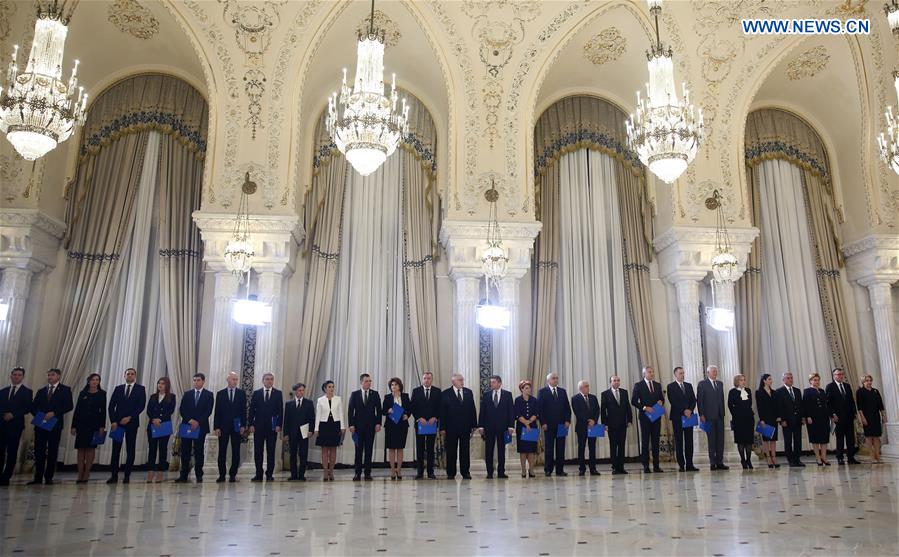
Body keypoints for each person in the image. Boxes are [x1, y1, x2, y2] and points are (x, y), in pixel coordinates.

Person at [29, 368, 73, 485]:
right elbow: (33, 407)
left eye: (52, 375)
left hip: (55, 423)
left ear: (58, 376)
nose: (50, 377)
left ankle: (49, 476)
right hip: (41, 423)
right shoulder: (41, 391)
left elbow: (69, 405)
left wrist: (54, 413)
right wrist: (40, 415)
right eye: (48, 375)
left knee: (52, 450)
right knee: (39, 450)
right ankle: (38, 476)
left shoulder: (65, 390)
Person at [107, 368, 146, 484]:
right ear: (124, 376)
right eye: (128, 374)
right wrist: (113, 421)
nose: (130, 375)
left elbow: (141, 406)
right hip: (118, 424)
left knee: (130, 449)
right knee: (115, 450)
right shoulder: (118, 388)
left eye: (132, 374)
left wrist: (129, 418)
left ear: (135, 376)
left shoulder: (140, 389)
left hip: (132, 423)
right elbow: (111, 406)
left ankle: (127, 476)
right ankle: (114, 476)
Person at [176, 373, 214, 483]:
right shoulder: (187, 394)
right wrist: (190, 420)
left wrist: (197, 422)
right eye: (194, 380)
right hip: (187, 425)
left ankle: (199, 474)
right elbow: (182, 409)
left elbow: (208, 411)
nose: (196, 382)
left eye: (198, 380)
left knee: (199, 451)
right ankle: (183, 475)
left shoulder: (208, 395)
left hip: (200, 426)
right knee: (185, 451)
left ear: (203, 381)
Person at [439, 373, 477, 480]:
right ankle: (451, 473)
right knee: (451, 450)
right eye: (460, 380)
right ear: (453, 381)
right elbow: (442, 412)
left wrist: (474, 424)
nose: (462, 382)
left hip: (465, 427)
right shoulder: (445, 393)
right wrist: (442, 428)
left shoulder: (468, 392)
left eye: (462, 380)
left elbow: (472, 409)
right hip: (451, 427)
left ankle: (465, 472)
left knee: (465, 450)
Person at [71, 373, 106, 483]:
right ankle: (80, 473)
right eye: (93, 379)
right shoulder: (83, 393)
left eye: (97, 380)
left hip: (94, 425)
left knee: (91, 449)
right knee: (81, 449)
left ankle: (87, 473)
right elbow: (77, 410)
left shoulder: (102, 394)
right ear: (88, 381)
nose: (95, 381)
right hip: (81, 425)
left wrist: (102, 426)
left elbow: (103, 411)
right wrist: (73, 426)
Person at [0, 367, 32, 486]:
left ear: (22, 377)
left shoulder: (27, 392)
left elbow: (27, 408)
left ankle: (6, 476)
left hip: (15, 426)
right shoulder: (3, 391)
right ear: (11, 375)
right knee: (0, 451)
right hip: (2, 424)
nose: (16, 376)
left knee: (12, 451)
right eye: (14, 374)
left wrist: (13, 414)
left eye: (19, 375)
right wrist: (3, 414)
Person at [478, 375, 514, 479]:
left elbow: (511, 411)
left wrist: (511, 426)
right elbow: (482, 411)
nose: (491, 384)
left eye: (493, 382)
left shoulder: (507, 395)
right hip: (489, 427)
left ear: (499, 383)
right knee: (488, 450)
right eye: (491, 382)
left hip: (503, 427)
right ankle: (489, 472)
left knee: (501, 450)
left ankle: (501, 472)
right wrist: (481, 426)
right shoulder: (486, 395)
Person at [213, 371, 246, 483]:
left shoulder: (241, 393)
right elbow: (217, 412)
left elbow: (243, 411)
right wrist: (216, 427)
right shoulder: (220, 394)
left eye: (236, 379)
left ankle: (233, 474)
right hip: (223, 426)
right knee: (222, 450)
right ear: (228, 380)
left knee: (236, 450)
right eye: (233, 379)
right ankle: (222, 474)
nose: (235, 381)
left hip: (237, 425)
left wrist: (243, 425)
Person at [348, 373, 381, 481]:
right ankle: (357, 473)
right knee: (358, 450)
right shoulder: (355, 394)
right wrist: (351, 424)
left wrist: (378, 423)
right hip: (357, 428)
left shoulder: (375, 394)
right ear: (361, 382)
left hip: (371, 427)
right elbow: (350, 411)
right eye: (366, 381)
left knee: (369, 450)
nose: (369, 383)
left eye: (370, 381)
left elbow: (379, 410)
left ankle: (367, 473)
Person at [249, 373, 282, 482]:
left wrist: (279, 424)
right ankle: (258, 473)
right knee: (258, 451)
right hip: (258, 426)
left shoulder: (278, 393)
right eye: (267, 379)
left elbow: (280, 411)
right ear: (263, 381)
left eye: (271, 379)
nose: (269, 381)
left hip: (272, 427)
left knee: (271, 451)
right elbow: (252, 410)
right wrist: (251, 424)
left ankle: (269, 474)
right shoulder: (257, 393)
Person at [538, 372, 571, 477]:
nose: (556, 380)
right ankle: (548, 469)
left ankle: (560, 470)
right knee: (549, 448)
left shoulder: (562, 391)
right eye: (553, 378)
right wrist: (543, 422)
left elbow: (567, 408)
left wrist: (567, 420)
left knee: (561, 448)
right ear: (548, 380)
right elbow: (540, 409)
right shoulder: (542, 392)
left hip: (562, 425)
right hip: (548, 425)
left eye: (557, 378)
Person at [631, 366, 664, 473]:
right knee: (645, 441)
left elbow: (662, 398)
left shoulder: (657, 385)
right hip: (645, 417)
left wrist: (661, 402)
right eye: (649, 372)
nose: (652, 373)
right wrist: (645, 408)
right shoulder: (638, 385)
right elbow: (634, 401)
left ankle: (656, 465)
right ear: (644, 374)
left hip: (656, 416)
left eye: (652, 372)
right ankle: (646, 465)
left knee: (656, 441)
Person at [666, 367, 698, 472]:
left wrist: (690, 410)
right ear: (675, 375)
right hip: (677, 417)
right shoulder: (671, 386)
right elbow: (673, 401)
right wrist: (684, 410)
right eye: (680, 373)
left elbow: (693, 400)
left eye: (683, 373)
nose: (682, 375)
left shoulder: (688, 385)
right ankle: (681, 464)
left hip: (689, 417)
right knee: (679, 441)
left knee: (689, 441)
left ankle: (690, 464)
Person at [697, 365, 728, 471]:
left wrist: (723, 413)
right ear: (708, 373)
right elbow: (700, 400)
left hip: (720, 416)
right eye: (713, 371)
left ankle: (720, 462)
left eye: (716, 371)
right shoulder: (702, 384)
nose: (715, 373)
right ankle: (712, 463)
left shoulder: (720, 383)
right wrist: (701, 414)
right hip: (708, 416)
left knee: (720, 440)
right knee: (711, 440)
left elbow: (721, 399)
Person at [410, 371, 441, 479]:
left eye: (428, 378)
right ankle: (420, 472)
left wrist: (435, 417)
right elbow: (412, 407)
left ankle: (430, 472)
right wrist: (419, 417)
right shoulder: (416, 391)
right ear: (422, 379)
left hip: (432, 423)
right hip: (420, 423)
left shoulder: (437, 391)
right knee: (420, 448)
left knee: (430, 449)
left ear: (431, 379)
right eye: (425, 378)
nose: (426, 380)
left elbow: (440, 407)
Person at [283, 383, 315, 481]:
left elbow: (312, 418)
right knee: (292, 454)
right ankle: (293, 475)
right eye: (300, 390)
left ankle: (301, 475)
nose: (301, 392)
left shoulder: (309, 403)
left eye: (303, 390)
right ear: (295, 391)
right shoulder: (289, 404)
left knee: (303, 453)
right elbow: (286, 420)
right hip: (292, 432)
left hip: (304, 432)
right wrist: (286, 434)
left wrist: (311, 430)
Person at [826, 368, 859, 465]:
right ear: (834, 376)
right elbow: (828, 403)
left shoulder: (847, 386)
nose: (840, 376)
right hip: (838, 417)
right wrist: (832, 414)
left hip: (849, 416)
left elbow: (851, 400)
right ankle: (840, 458)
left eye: (841, 374)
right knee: (840, 438)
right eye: (838, 374)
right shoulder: (830, 386)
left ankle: (851, 457)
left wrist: (854, 413)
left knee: (850, 438)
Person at [146, 377, 176, 483]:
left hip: (164, 425)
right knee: (152, 449)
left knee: (162, 450)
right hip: (153, 425)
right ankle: (150, 472)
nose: (160, 385)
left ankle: (160, 473)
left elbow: (170, 410)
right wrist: (154, 419)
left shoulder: (172, 397)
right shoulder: (153, 396)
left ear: (167, 385)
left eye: (163, 383)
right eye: (159, 383)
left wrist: (160, 419)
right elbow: (149, 410)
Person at [314, 380, 344, 481]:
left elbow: (341, 413)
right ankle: (325, 472)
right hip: (324, 425)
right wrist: (316, 428)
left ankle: (331, 471)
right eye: (329, 387)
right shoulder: (320, 400)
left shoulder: (338, 399)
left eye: (332, 387)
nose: (331, 389)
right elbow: (318, 415)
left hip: (335, 425)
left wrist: (342, 427)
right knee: (324, 450)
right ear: (325, 389)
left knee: (333, 449)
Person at [601, 375, 631, 474]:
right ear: (610, 382)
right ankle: (614, 467)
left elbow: (628, 406)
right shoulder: (605, 394)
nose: (617, 382)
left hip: (623, 424)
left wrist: (629, 420)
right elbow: (603, 411)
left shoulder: (624, 392)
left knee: (622, 446)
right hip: (611, 425)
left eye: (618, 380)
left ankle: (621, 467)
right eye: (614, 380)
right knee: (613, 446)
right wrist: (604, 424)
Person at [382, 377, 411, 480]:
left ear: (400, 386)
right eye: (392, 385)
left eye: (396, 385)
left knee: (400, 448)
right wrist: (388, 411)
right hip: (391, 425)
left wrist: (407, 415)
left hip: (402, 425)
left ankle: (399, 469)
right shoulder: (387, 397)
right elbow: (383, 411)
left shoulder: (405, 396)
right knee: (391, 448)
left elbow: (409, 409)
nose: (393, 386)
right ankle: (392, 470)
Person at [571, 379, 600, 476]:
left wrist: (594, 420)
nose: (588, 388)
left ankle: (593, 469)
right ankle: (582, 469)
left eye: (588, 386)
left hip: (593, 426)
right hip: (582, 427)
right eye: (586, 386)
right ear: (581, 388)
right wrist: (588, 421)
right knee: (581, 448)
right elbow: (577, 412)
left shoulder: (593, 397)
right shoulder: (575, 398)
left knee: (592, 448)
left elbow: (597, 410)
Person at [776, 372, 805, 467]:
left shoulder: (797, 391)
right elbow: (779, 407)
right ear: (783, 380)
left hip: (797, 420)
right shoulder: (779, 391)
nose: (790, 379)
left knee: (798, 440)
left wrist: (802, 417)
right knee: (788, 441)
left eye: (791, 378)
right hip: (786, 421)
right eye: (788, 378)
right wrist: (782, 420)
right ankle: (790, 460)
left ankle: (797, 459)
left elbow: (801, 405)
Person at [856, 374, 886, 464]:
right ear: (863, 382)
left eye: (870, 380)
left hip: (876, 416)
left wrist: (883, 415)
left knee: (876, 436)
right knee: (869, 436)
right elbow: (860, 407)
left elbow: (880, 405)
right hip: (866, 416)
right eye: (867, 380)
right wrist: (863, 418)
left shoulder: (875, 391)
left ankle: (878, 456)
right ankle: (872, 456)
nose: (869, 382)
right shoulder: (860, 392)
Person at [803, 372, 831, 466]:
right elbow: (806, 405)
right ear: (810, 381)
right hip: (813, 418)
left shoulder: (822, 391)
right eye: (815, 380)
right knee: (815, 438)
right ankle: (818, 458)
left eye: (818, 380)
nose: (817, 382)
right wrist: (808, 416)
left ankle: (824, 457)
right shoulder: (807, 391)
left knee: (824, 438)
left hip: (824, 417)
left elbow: (826, 404)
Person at [728, 374, 755, 469]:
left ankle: (749, 460)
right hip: (738, 419)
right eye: (741, 380)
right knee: (740, 441)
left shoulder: (748, 390)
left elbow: (749, 403)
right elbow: (730, 405)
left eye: (744, 380)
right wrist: (736, 414)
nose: (743, 382)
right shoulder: (732, 392)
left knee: (749, 441)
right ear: (737, 381)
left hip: (749, 418)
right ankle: (743, 460)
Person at [513, 380, 539, 478]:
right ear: (522, 389)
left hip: (532, 427)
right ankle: (523, 470)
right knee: (523, 450)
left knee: (531, 450)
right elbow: (517, 414)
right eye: (526, 388)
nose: (529, 390)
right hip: (521, 428)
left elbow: (536, 413)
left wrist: (529, 422)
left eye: (529, 388)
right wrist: (525, 423)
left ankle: (531, 470)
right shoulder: (518, 400)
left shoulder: (534, 400)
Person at [755, 373, 780, 468]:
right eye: (769, 379)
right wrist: (762, 419)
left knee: (773, 439)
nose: (771, 381)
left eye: (771, 379)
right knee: (766, 439)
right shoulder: (759, 392)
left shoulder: (774, 392)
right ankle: (768, 458)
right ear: (764, 381)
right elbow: (759, 407)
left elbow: (777, 406)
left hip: (774, 418)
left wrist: (778, 416)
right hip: (765, 419)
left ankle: (774, 457)